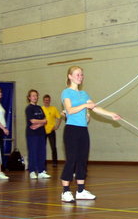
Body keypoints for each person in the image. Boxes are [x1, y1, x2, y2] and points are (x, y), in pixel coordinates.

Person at [60, 66, 121, 203]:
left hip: (83, 130)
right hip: (71, 130)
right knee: (72, 160)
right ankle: (65, 191)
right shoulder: (66, 92)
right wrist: (84, 106)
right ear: (70, 76)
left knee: (82, 160)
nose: (80, 77)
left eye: (81, 75)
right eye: (77, 74)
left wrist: (111, 114)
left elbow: (95, 108)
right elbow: (69, 110)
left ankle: (81, 190)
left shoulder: (84, 94)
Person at [25, 89, 50, 179]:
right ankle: (32, 171)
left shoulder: (39, 108)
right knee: (33, 152)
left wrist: (39, 124)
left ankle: (41, 171)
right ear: (29, 97)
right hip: (32, 134)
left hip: (41, 133)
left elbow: (45, 120)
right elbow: (32, 120)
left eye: (36, 95)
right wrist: (41, 122)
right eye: (33, 95)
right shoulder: (29, 108)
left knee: (42, 152)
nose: (35, 97)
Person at [42, 94, 62, 167]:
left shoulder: (53, 109)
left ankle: (55, 162)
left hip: (51, 131)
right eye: (45, 100)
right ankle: (43, 162)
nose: (46, 101)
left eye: (48, 100)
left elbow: (59, 118)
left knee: (53, 147)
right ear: (43, 101)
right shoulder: (41, 109)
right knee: (42, 148)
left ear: (50, 101)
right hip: (43, 131)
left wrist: (56, 126)